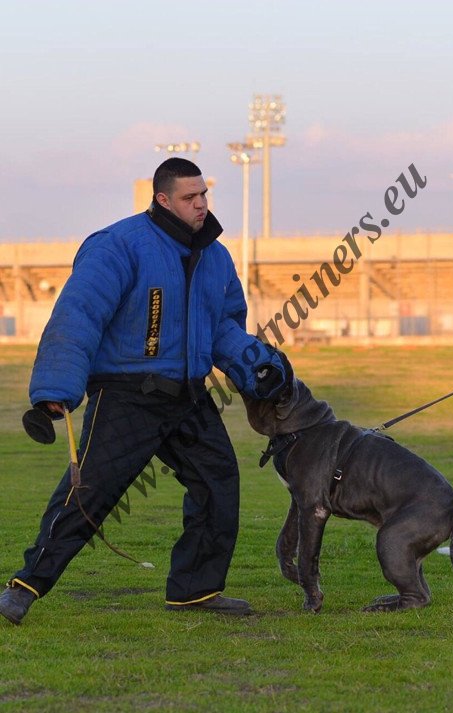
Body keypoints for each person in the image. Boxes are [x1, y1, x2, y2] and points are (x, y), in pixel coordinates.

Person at [0, 158, 287, 625]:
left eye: (204, 195)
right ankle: (25, 586)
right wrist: (56, 387)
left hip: (189, 396)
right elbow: (78, 316)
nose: (201, 205)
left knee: (218, 485)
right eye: (190, 198)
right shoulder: (119, 246)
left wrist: (260, 367)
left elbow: (223, 328)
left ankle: (195, 591)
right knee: (89, 495)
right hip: (127, 395)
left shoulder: (215, 256)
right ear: (163, 199)